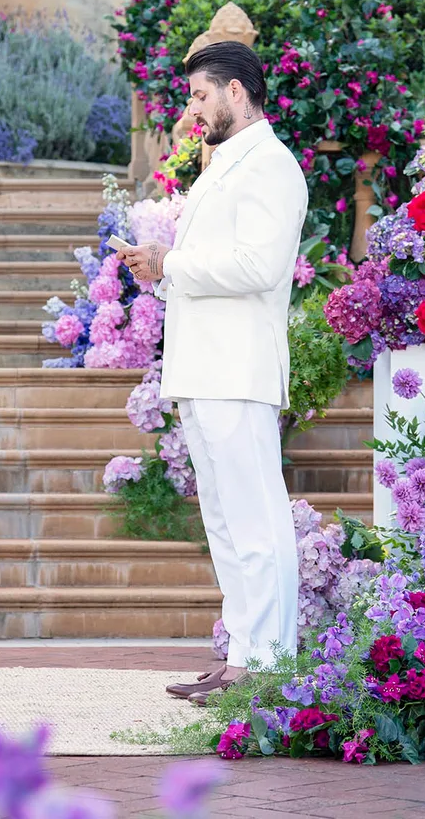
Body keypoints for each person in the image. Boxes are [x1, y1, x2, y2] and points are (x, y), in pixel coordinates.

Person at [117, 41, 308, 705]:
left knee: (256, 519)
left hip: (238, 369)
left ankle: (270, 663)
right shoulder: (222, 165)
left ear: (234, 91)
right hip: (202, 369)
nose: (192, 109)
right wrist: (156, 270)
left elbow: (259, 268)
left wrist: (172, 264)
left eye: (198, 94)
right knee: (226, 523)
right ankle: (241, 657)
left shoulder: (272, 166)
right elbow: (205, 270)